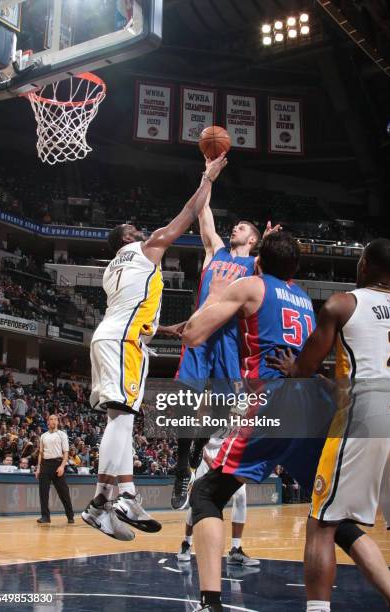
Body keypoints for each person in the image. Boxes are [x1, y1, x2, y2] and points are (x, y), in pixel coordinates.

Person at [82, 154, 228, 541]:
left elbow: (133, 311)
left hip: (115, 337)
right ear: (126, 241)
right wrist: (207, 177)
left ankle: (102, 504)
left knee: (121, 419)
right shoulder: (144, 250)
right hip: (122, 342)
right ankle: (123, 496)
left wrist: (166, 328)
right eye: (133, 230)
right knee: (122, 418)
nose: (140, 231)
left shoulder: (114, 269)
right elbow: (188, 212)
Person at [182, 232, 321, 611]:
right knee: (328, 514)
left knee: (206, 494)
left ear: (258, 262)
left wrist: (214, 295)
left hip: (270, 403)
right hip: (309, 406)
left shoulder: (253, 286)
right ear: (295, 269)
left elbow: (194, 335)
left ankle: (210, 602)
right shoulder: (306, 300)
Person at [266, 238, 390, 612]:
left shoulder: (343, 303)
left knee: (322, 523)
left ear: (365, 265)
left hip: (365, 416)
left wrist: (296, 368)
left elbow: (304, 368)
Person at [172, 190, 280, 509]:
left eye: (244, 227)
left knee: (222, 407)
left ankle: (199, 445)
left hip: (232, 338)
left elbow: (273, 273)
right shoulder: (215, 251)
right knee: (186, 395)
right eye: (236, 226)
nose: (236, 229)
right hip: (203, 328)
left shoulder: (256, 264)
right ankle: (181, 467)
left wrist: (270, 244)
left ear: (254, 239)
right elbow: (202, 210)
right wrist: (208, 174)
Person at [177, 435, 260, 566]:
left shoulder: (242, 416)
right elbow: (196, 436)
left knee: (241, 496)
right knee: (199, 498)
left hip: (228, 453)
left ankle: (235, 550)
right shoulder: (211, 415)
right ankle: (187, 543)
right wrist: (208, 459)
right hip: (205, 453)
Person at [36, 414, 74, 525]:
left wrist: (62, 466)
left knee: (64, 492)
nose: (52, 421)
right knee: (43, 492)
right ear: (48, 422)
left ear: (57, 422)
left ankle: (70, 515)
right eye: (50, 419)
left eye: (54, 419)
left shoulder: (62, 435)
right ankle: (45, 516)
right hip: (45, 465)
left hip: (58, 464)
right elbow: (40, 453)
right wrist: (38, 467)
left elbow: (66, 452)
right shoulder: (43, 436)